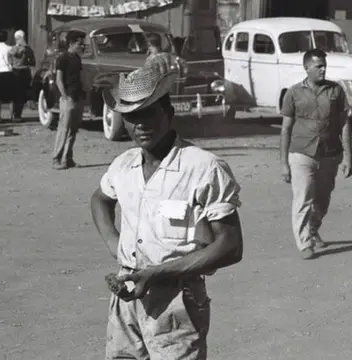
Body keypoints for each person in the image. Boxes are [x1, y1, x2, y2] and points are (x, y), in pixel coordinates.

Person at [91, 55, 244, 360]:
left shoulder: (203, 168)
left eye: (149, 113)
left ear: (169, 112)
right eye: (132, 116)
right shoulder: (124, 165)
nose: (141, 124)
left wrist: (158, 273)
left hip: (177, 300)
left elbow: (231, 246)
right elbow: (100, 199)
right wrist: (114, 243)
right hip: (126, 299)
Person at [280, 49, 352, 260]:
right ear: (306, 68)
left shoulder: (336, 91)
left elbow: (345, 124)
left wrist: (349, 156)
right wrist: (284, 163)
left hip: (330, 153)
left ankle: (312, 229)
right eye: (318, 66)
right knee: (303, 197)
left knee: (322, 200)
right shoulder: (293, 93)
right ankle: (304, 243)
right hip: (302, 153)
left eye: (324, 65)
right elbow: (285, 129)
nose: (323, 69)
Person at [51, 31, 85, 170]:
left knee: (73, 130)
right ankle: (56, 158)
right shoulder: (62, 58)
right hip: (68, 98)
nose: (82, 45)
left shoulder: (77, 58)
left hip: (78, 96)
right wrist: (65, 97)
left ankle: (68, 158)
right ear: (71, 43)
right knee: (64, 129)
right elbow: (59, 79)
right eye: (79, 42)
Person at [8, 29, 35, 122]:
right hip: (24, 71)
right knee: (21, 95)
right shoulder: (28, 49)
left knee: (13, 94)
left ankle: (12, 115)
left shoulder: (11, 49)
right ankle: (18, 115)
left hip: (14, 71)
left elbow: (9, 61)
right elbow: (33, 62)